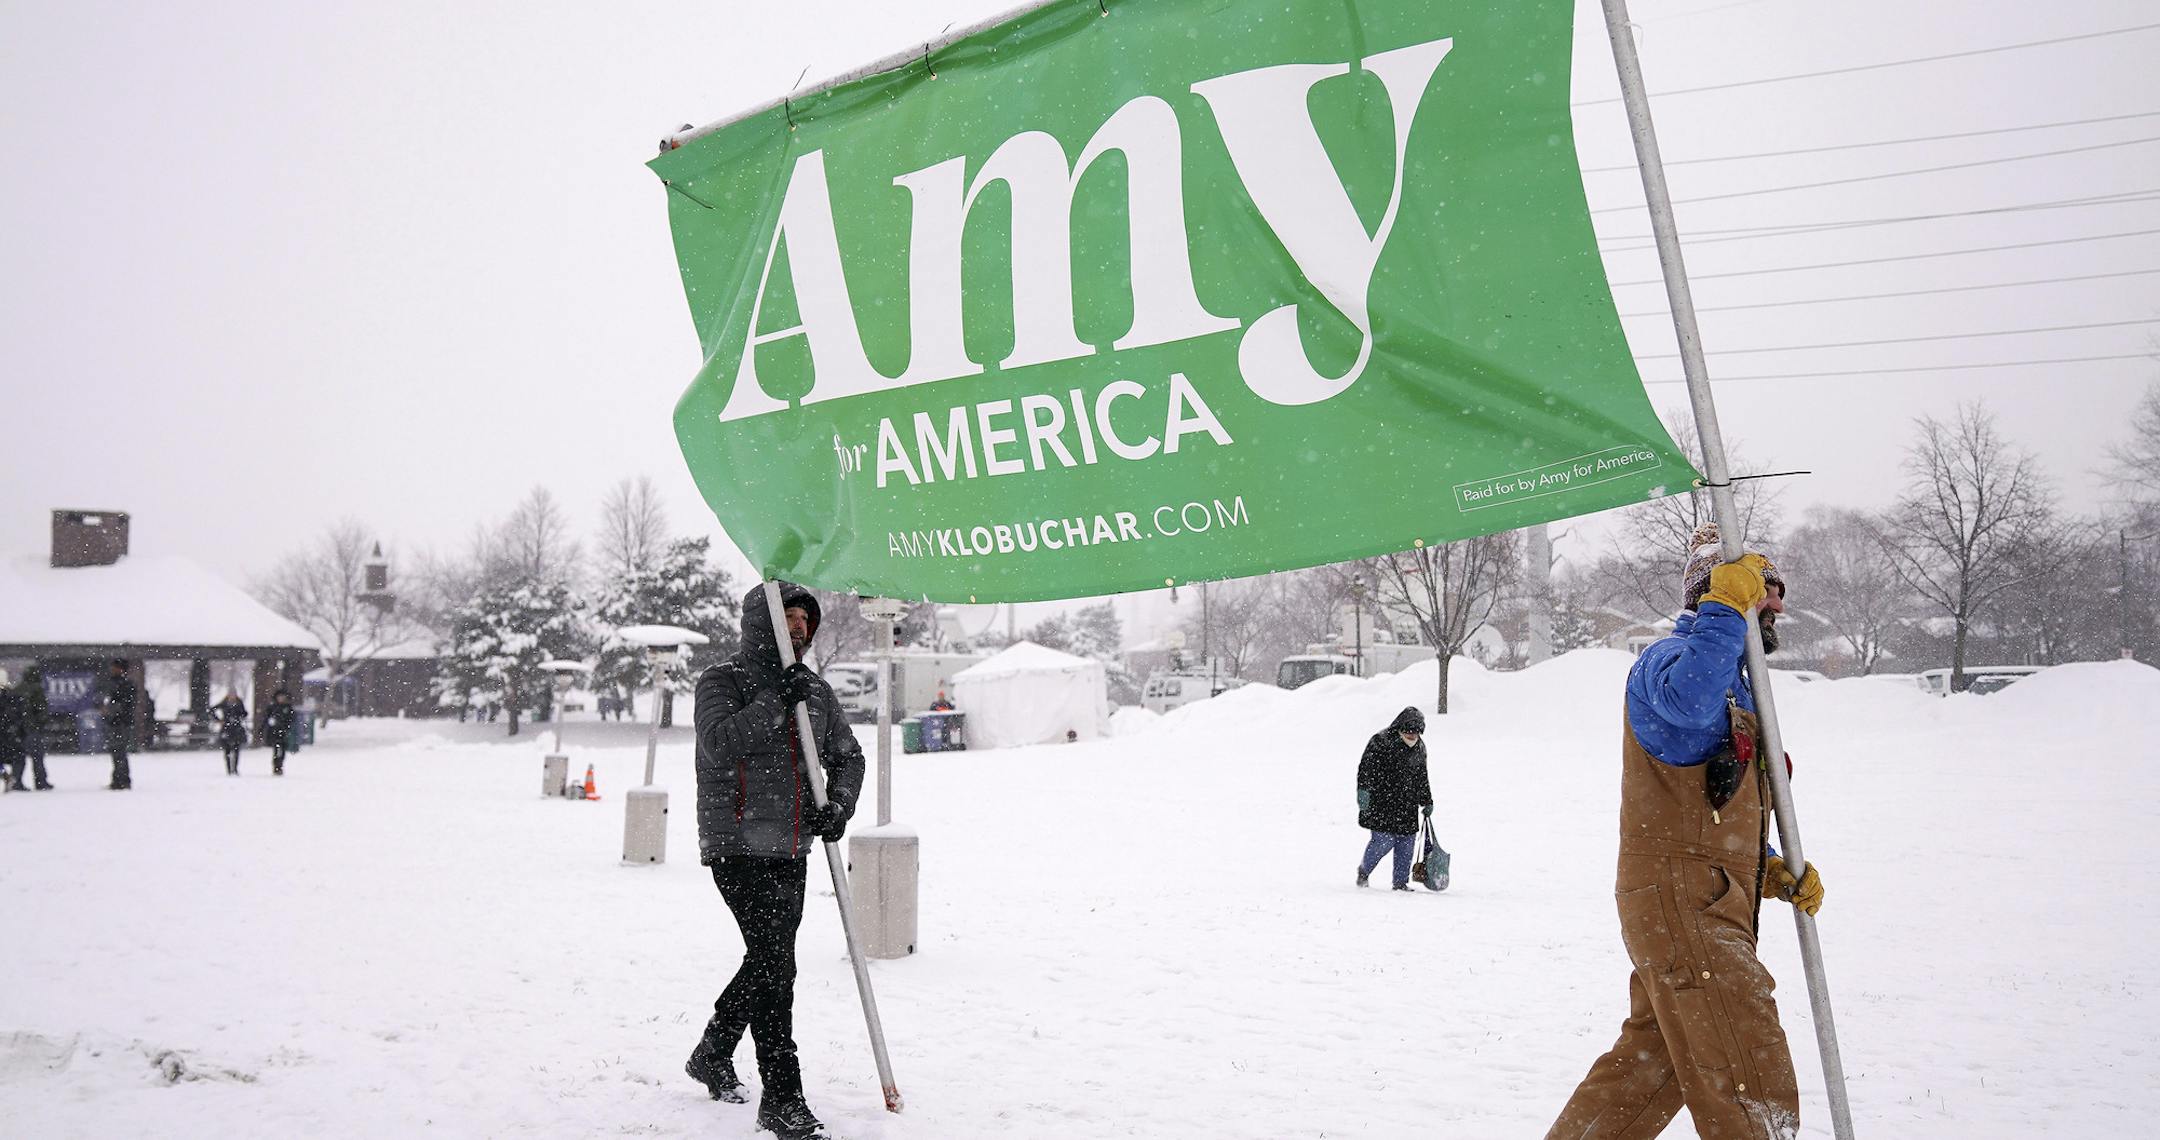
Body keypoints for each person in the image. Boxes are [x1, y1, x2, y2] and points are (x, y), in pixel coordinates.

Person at [1547, 526, 1826, 1140]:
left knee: (1656, 1066)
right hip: (1685, 897)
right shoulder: (1668, 665)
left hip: (1708, 896)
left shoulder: (1739, 685)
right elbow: (1686, 706)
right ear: (1722, 592)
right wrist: (1724, 610)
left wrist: (1768, 866)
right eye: (1764, 586)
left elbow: (1716, 797)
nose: (1777, 603)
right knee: (1747, 1060)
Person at [685, 582, 865, 1140]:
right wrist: (774, 703)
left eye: (806, 620)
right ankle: (782, 1097)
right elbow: (718, 743)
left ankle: (712, 1052)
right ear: (760, 622)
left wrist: (838, 805)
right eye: (786, 617)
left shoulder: (815, 689)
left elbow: (847, 756)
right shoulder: (722, 681)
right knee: (774, 967)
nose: (798, 629)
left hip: (790, 847)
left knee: (770, 960)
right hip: (735, 845)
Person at [1355, 707, 1433, 890]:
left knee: (1406, 844)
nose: (1412, 736)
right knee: (1383, 841)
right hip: (1382, 802)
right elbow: (1365, 769)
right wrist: (1363, 792)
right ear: (1399, 727)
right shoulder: (1380, 742)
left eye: (1416, 732)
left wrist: (1427, 800)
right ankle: (1364, 871)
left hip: (1407, 805)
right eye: (1408, 731)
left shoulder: (1420, 748)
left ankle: (1400, 882)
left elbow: (1422, 777)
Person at [103, 659, 135, 790]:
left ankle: (121, 780)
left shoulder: (125, 685)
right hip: (117, 722)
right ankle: (120, 779)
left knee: (119, 752)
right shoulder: (116, 683)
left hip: (121, 723)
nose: (112, 670)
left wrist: (110, 709)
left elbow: (125, 705)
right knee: (117, 752)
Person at [19, 665, 51, 790]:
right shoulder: (37, 689)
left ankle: (17, 781)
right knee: (37, 757)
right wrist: (40, 723)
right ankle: (40, 781)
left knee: (18, 758)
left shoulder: (18, 688)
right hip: (33, 729)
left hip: (18, 730)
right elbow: (41, 710)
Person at [0, 669, 27, 792]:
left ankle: (9, 778)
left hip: (7, 733)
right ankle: (13, 780)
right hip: (9, 733)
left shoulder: (11, 698)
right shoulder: (13, 697)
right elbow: (18, 716)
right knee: (18, 757)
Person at [215, 691, 249, 776]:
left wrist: (240, 716)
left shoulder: (239, 703)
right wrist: (219, 720)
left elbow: (244, 713)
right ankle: (229, 768)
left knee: (237, 749)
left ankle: (235, 768)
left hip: (237, 728)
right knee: (227, 749)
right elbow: (212, 710)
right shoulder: (224, 704)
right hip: (226, 728)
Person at [263, 690, 295, 776]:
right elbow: (266, 718)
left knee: (283, 751)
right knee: (276, 750)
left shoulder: (288, 707)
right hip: (274, 732)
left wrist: (286, 727)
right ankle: (276, 767)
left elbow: (291, 719)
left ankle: (280, 765)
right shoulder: (272, 707)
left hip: (284, 732)